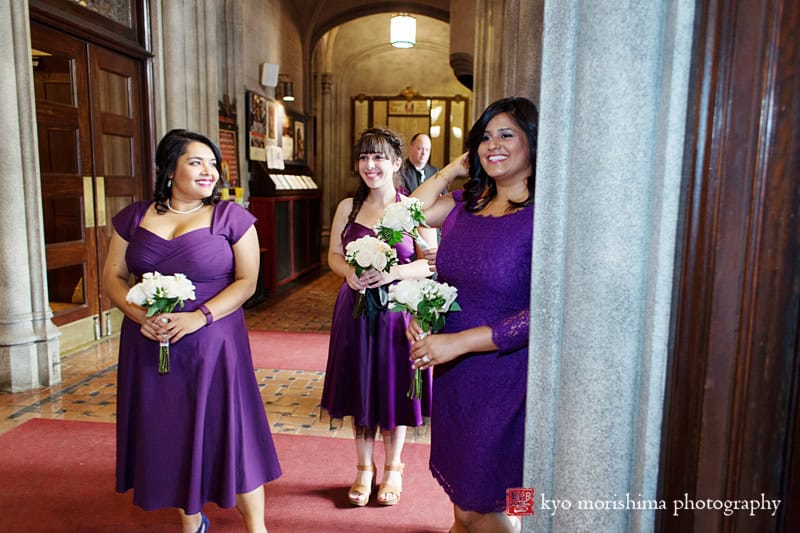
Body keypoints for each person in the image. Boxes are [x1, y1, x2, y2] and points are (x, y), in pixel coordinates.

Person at [103, 129, 282, 533]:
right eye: (196, 162)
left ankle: (256, 527)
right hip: (149, 342)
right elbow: (113, 276)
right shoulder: (134, 217)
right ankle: (191, 521)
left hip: (213, 342)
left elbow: (246, 281)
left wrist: (198, 316)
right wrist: (139, 316)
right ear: (170, 169)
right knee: (170, 431)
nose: (209, 172)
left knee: (231, 432)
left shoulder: (230, 217)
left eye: (213, 164)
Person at [407, 97, 537, 533]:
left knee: (488, 502)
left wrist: (458, 342)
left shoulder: (546, 216)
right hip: (454, 374)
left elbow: (545, 314)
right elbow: (405, 216)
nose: (491, 146)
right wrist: (447, 172)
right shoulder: (468, 202)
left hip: (506, 373)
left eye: (506, 135)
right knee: (464, 502)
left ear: (533, 143)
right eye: (484, 137)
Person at [321, 127, 437, 507]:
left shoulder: (411, 209)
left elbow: (430, 264)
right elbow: (334, 256)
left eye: (379, 158)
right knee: (360, 386)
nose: (370, 166)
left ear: (397, 163)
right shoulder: (347, 208)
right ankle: (363, 468)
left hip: (396, 313)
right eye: (364, 158)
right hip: (353, 311)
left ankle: (394, 469)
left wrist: (394, 274)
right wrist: (348, 274)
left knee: (392, 388)